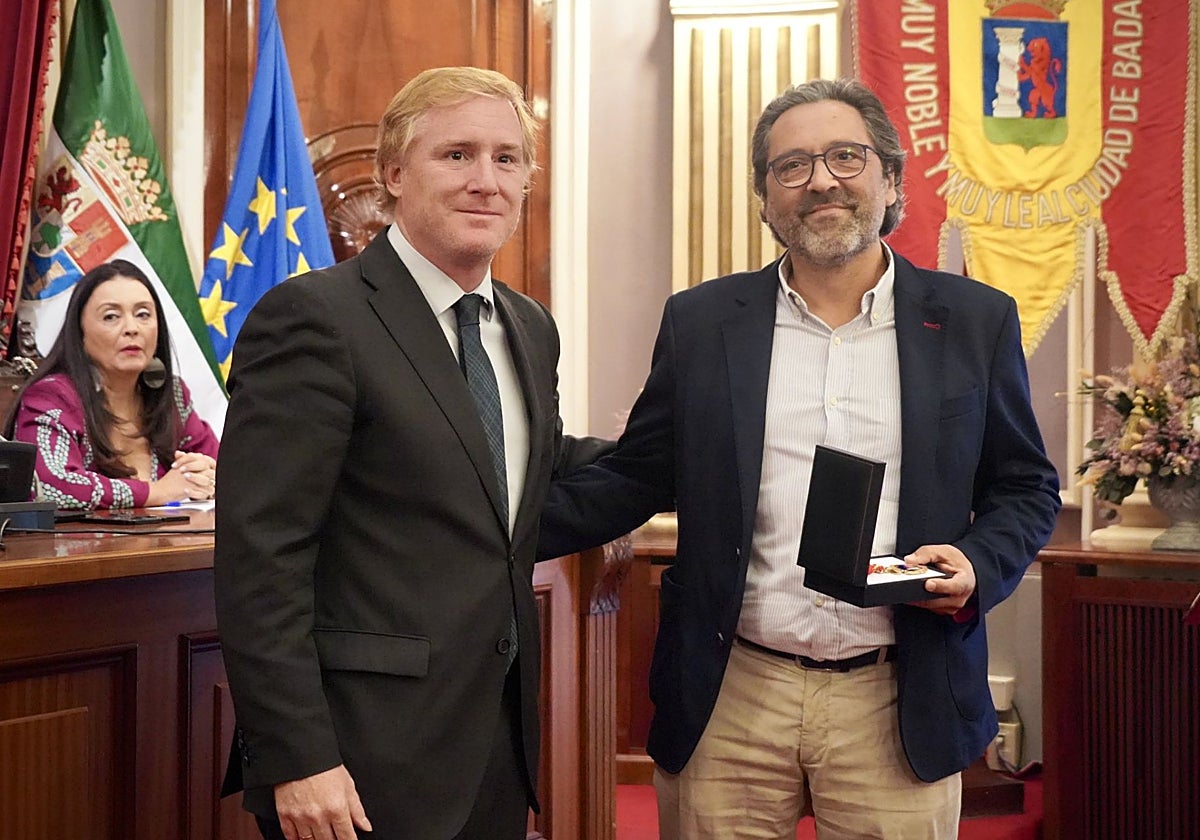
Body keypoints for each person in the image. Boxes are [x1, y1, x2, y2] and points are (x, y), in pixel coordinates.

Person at [538, 78, 1062, 839]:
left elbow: (1025, 487)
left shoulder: (975, 320)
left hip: (898, 694)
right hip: (733, 692)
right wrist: (489, 523)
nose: (821, 180)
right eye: (792, 166)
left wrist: (979, 562)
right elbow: (637, 475)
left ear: (889, 179)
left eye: (845, 157)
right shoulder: (703, 322)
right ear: (766, 198)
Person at [214, 66, 609, 840]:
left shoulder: (528, 328)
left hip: (494, 751)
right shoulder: (315, 318)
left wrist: (690, 449)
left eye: (506, 158)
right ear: (394, 173)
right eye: (456, 155)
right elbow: (262, 559)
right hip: (356, 763)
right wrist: (297, 757)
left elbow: (514, 477)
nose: (485, 181)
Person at [5, 259, 218, 509]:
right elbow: (51, 488)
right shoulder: (52, 397)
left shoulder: (172, 396)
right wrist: (155, 492)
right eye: (111, 316)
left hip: (171, 545)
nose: (131, 328)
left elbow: (226, 467)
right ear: (80, 333)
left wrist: (207, 476)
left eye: (143, 315)